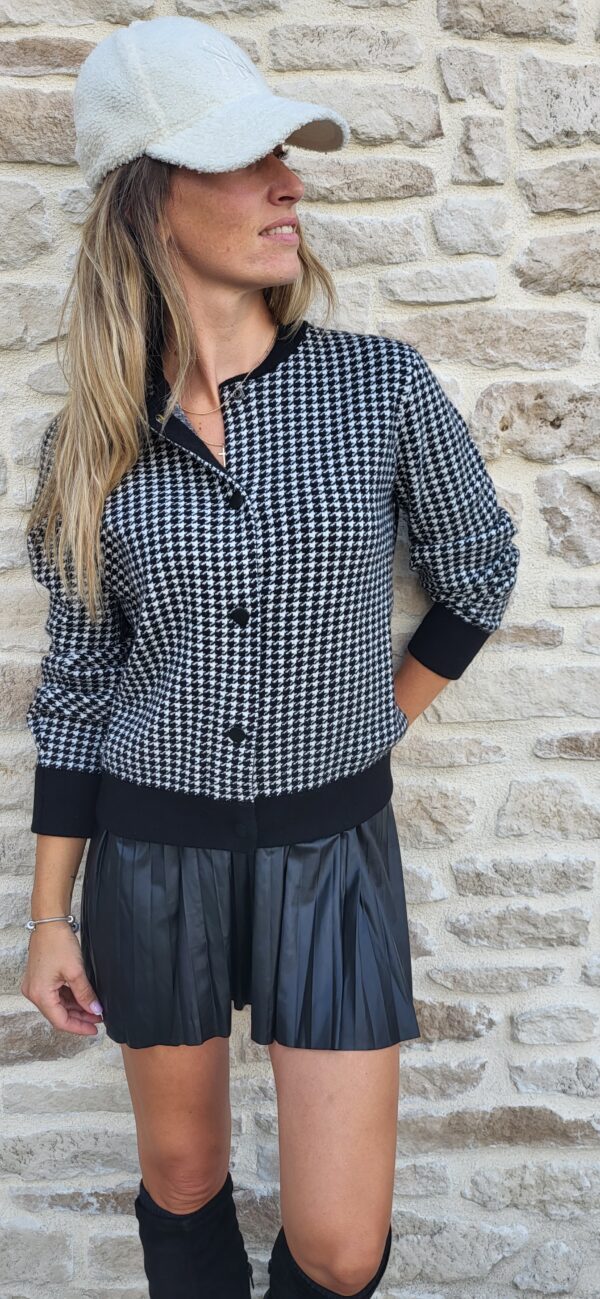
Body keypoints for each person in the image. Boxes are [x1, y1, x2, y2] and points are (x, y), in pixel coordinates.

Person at [20, 14, 520, 1299]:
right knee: (185, 1179)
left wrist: (383, 717)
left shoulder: (378, 388)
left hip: (333, 851)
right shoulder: (90, 443)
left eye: (284, 154)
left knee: (340, 1248)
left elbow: (479, 567)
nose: (287, 182)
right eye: (246, 158)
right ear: (149, 197)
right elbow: (79, 684)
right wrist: (48, 918)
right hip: (151, 853)